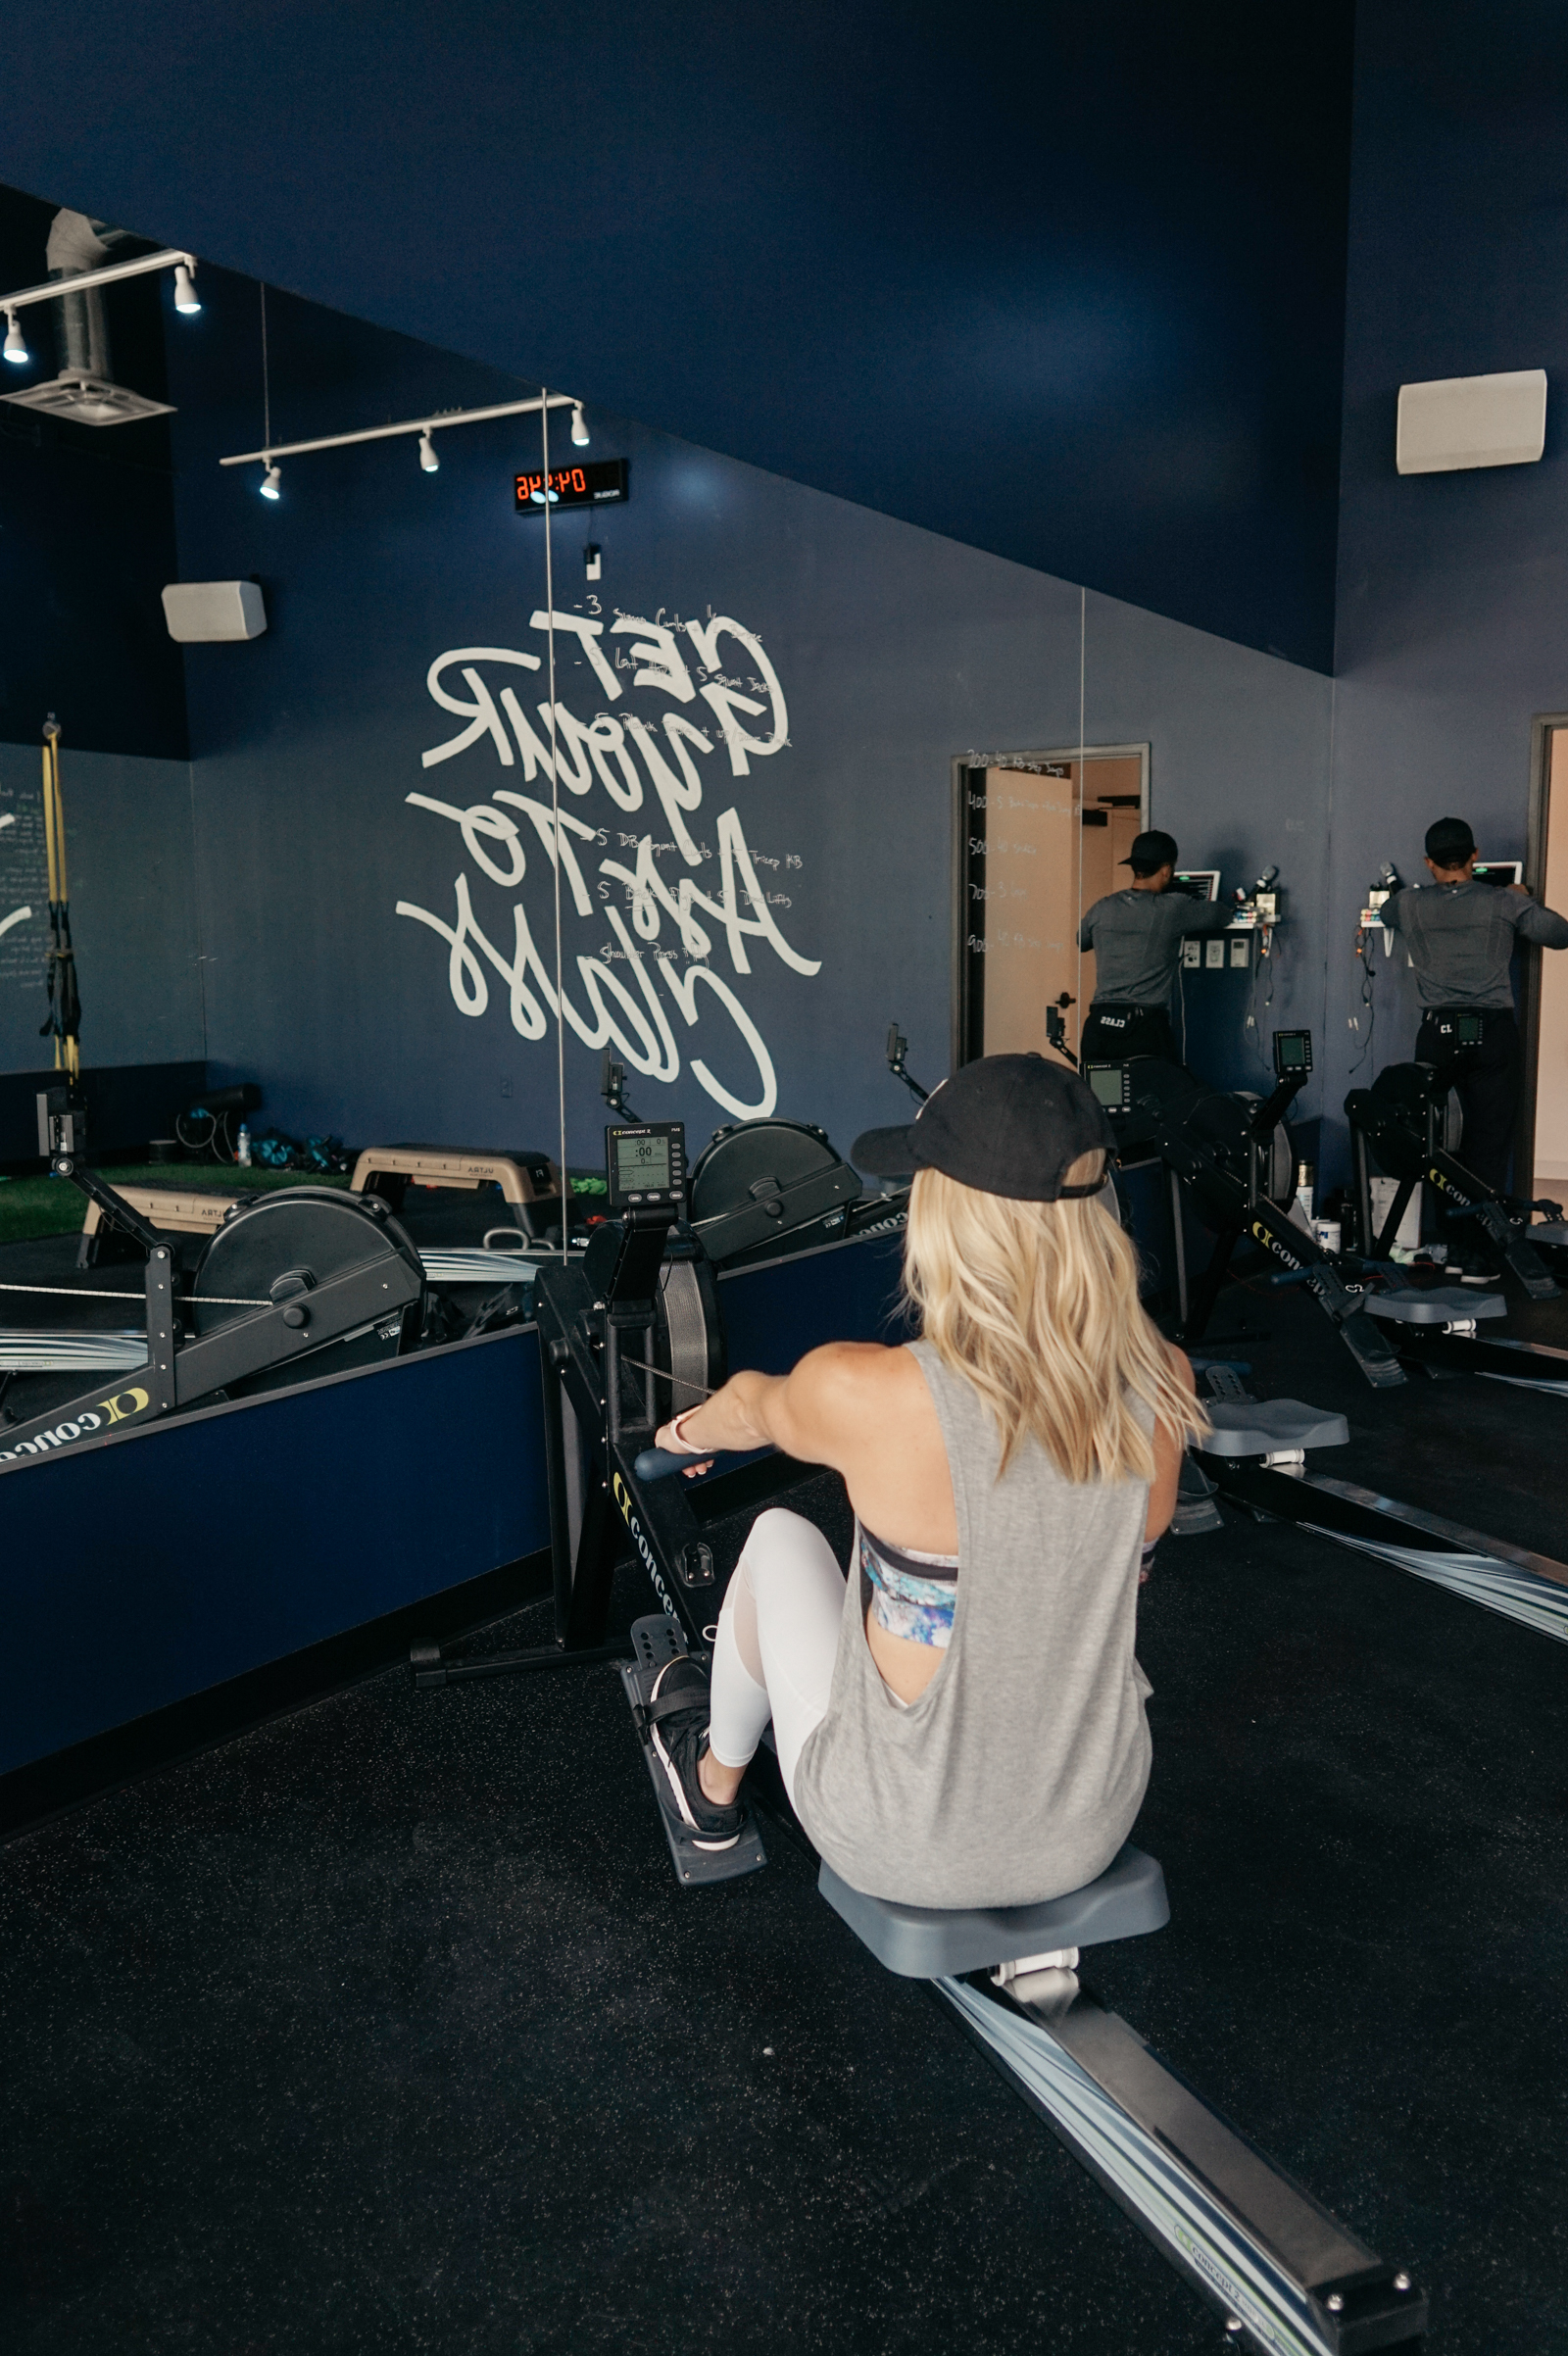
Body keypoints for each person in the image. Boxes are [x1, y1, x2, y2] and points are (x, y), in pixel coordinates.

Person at [640, 1055, 1206, 1910]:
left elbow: (750, 1407)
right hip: (1088, 1826)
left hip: (897, 1839)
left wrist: (680, 1436)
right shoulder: (1164, 1381)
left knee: (778, 1540)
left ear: (949, 1212)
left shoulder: (871, 1391)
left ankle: (711, 1788)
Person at [1379, 816, 1568, 1203]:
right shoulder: (1505, 901)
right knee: (1489, 1145)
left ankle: (1447, 1234)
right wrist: (1523, 898)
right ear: (1474, 856)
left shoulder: (1409, 903)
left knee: (1439, 1143)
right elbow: (1560, 934)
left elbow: (1386, 913)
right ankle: (1484, 1236)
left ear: (1429, 862)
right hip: (1492, 1034)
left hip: (1436, 1035)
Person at [1077, 828, 1233, 1063]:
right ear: (1166, 870)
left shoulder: (1102, 907)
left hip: (1099, 1027)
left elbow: (1081, 941)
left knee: (1101, 1088)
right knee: (1156, 1087)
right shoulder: (1171, 907)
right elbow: (1222, 915)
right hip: (1144, 1029)